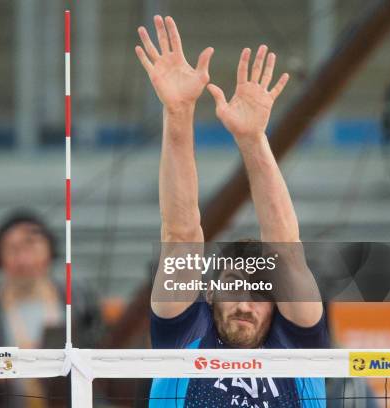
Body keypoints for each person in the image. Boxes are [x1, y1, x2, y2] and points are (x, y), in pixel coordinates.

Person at [135, 15, 328, 407]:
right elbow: (181, 234)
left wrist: (253, 139)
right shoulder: (186, 333)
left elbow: (286, 248)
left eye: (260, 292)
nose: (244, 303)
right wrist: (178, 113)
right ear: (209, 292)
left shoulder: (298, 344)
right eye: (235, 286)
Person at [0, 210, 102, 408]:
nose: (24, 260)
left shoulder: (79, 297)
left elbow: (104, 350)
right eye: (13, 250)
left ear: (49, 250)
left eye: (32, 247)